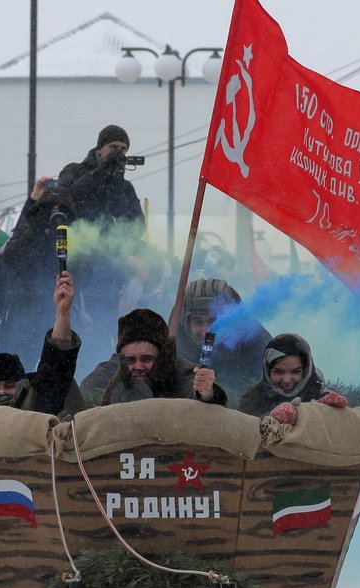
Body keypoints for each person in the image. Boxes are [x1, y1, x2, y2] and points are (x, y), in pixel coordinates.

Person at [58, 125, 146, 363]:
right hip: (75, 265)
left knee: (102, 327)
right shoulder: (75, 171)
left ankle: (97, 370)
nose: (119, 153)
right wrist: (101, 172)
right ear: (99, 150)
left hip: (106, 272)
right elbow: (69, 197)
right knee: (70, 325)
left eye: (124, 149)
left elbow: (137, 225)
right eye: (113, 148)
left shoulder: (123, 186)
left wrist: (116, 183)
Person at [0, 272, 82, 417]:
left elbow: (56, 364)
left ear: (21, 386)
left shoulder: (37, 408)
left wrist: (63, 312)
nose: (2, 392)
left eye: (9, 386)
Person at [0, 179, 75, 360]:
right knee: (18, 361)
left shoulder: (72, 238)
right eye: (51, 210)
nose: (55, 216)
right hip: (22, 310)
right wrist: (37, 227)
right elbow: (12, 256)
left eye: (61, 211)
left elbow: (81, 273)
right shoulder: (31, 230)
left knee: (53, 362)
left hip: (54, 308)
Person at [81, 308, 226, 407]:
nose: (137, 366)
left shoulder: (178, 370)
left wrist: (206, 393)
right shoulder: (112, 369)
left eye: (146, 359)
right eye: (130, 360)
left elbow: (193, 389)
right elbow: (88, 397)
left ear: (161, 356)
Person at [174, 278, 271, 408]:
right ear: (185, 323)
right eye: (197, 322)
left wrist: (213, 393)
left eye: (213, 321)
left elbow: (256, 399)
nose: (206, 331)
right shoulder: (175, 342)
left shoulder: (256, 344)